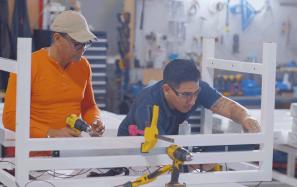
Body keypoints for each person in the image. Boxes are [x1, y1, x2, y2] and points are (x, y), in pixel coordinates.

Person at [2, 10, 104, 138]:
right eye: (77, 44)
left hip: (69, 148)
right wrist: (50, 132)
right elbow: (10, 117)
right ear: (57, 38)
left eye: (85, 44)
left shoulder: (83, 66)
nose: (82, 50)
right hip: (33, 151)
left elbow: (89, 106)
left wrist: (94, 120)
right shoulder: (28, 65)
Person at [118, 59, 260, 136]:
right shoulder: (148, 105)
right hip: (132, 155)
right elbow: (158, 148)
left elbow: (227, 106)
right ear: (167, 89)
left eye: (196, 94)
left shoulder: (193, 89)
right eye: (186, 95)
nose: (192, 101)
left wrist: (245, 117)